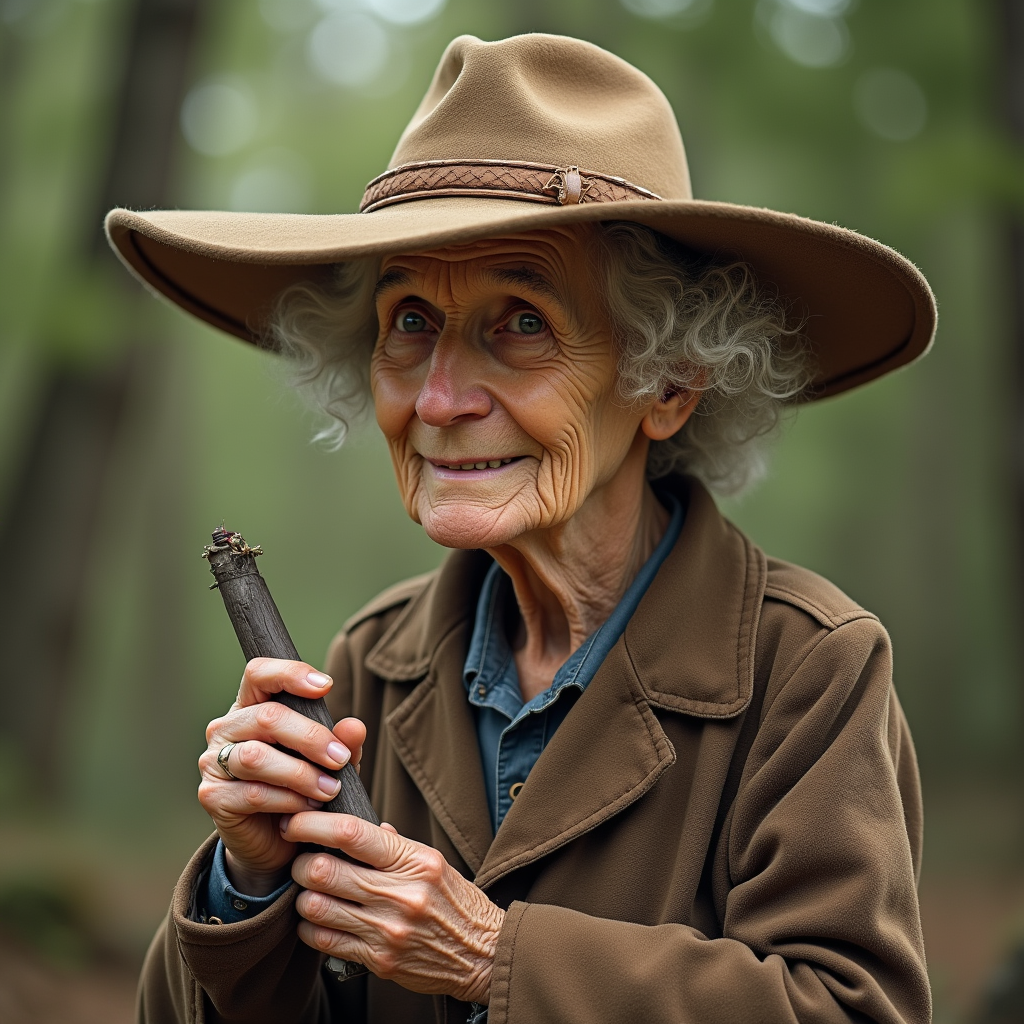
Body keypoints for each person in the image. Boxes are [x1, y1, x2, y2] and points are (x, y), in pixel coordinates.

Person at [106, 32, 936, 1024]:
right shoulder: (371, 662)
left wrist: (493, 955)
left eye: (523, 321)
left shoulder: (809, 672)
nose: (443, 396)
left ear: (666, 382)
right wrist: (245, 881)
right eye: (410, 320)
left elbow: (848, 1008)